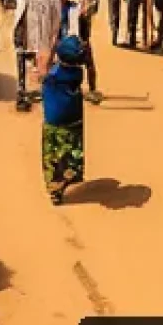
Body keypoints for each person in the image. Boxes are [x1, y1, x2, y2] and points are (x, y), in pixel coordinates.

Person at [42, 36, 99, 205]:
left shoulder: (53, 76)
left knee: (53, 156)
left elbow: (43, 67)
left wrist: (52, 44)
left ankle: (55, 188)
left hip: (53, 123)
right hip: (73, 121)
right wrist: (90, 59)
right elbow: (91, 72)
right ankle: (69, 175)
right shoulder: (77, 74)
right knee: (71, 152)